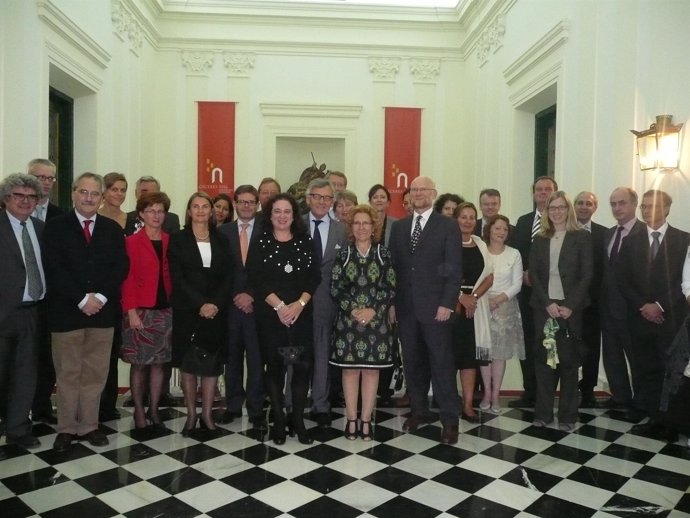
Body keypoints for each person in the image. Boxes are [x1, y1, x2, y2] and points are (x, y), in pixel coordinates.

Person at [45, 173, 129, 452]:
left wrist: (101, 297)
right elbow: (54, 269)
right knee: (68, 373)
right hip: (67, 313)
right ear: (73, 193)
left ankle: (90, 425)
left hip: (103, 313)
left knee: (95, 373)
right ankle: (67, 428)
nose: (89, 198)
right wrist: (82, 299)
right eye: (84, 192)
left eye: (94, 194)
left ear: (101, 197)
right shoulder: (56, 227)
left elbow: (120, 267)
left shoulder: (111, 229)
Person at [388, 176, 462, 445]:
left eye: (423, 190)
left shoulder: (447, 226)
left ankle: (450, 421)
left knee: (442, 365)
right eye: (414, 190)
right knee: (413, 364)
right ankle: (419, 411)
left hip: (436, 309)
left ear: (433, 193)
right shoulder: (399, 227)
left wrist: (447, 303)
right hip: (407, 309)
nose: (418, 194)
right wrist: (393, 304)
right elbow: (394, 269)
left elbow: (453, 269)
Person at [246, 193, 320, 445]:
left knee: (301, 369)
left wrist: (298, 304)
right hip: (271, 317)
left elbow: (314, 277)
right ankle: (278, 420)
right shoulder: (260, 242)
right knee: (275, 369)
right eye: (277, 211)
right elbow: (255, 278)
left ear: (294, 215)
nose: (282, 216)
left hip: (301, 315)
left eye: (287, 211)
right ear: (270, 214)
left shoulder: (305, 241)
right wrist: (279, 306)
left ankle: (297, 420)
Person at [617, 189, 689, 434]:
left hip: (670, 319)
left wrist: (659, 306)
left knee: (671, 371)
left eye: (652, 206)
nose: (646, 210)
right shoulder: (631, 240)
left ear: (667, 209)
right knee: (646, 369)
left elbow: (684, 282)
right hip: (640, 318)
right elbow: (622, 279)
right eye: (644, 206)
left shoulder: (683, 240)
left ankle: (669, 421)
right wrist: (644, 306)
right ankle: (651, 417)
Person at [169, 192, 233, 437]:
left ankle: (207, 414)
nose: (200, 210)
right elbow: (178, 278)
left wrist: (214, 303)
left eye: (204, 206)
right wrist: (200, 304)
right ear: (189, 211)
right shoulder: (178, 239)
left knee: (211, 365)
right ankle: (191, 415)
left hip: (216, 311)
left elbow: (228, 276)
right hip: (188, 310)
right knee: (188, 365)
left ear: (211, 211)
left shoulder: (222, 239)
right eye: (195, 206)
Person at [330, 205, 396, 441]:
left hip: (376, 323)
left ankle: (366, 421)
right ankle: (350, 420)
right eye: (356, 223)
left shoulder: (383, 254)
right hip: (349, 322)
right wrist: (355, 310)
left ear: (373, 226)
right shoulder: (343, 254)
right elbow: (336, 287)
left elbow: (389, 286)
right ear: (351, 227)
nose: (361, 227)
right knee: (349, 372)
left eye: (365, 223)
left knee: (370, 372)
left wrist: (372, 310)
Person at [529, 191, 592, 432]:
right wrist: (547, 303)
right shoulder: (540, 238)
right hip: (544, 307)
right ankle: (543, 414)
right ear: (547, 212)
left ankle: (568, 415)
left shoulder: (581, 237)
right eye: (551, 208)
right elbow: (533, 273)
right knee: (544, 362)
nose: (556, 211)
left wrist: (570, 305)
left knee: (568, 362)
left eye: (561, 207)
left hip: (571, 308)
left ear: (569, 210)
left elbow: (587, 274)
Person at [120, 192, 173, 437]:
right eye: (151, 210)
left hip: (164, 311)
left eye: (160, 211)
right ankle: (139, 411)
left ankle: (154, 409)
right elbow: (126, 278)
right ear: (141, 213)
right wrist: (130, 311)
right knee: (140, 364)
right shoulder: (131, 242)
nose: (156, 215)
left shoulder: (170, 240)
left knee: (160, 364)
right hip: (139, 311)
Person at [216, 185, 267, 431]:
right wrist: (237, 296)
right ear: (234, 204)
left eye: (251, 202)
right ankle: (233, 406)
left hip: (258, 307)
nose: (246, 206)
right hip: (231, 306)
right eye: (242, 202)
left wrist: (251, 296)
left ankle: (256, 409)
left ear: (257, 204)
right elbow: (219, 271)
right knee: (232, 359)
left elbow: (269, 271)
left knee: (257, 360)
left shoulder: (267, 231)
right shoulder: (222, 231)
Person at [0, 173, 45, 448]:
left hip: (33, 312)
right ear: (6, 198)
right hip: (3, 312)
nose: (25, 201)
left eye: (31, 197)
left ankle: (18, 429)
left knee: (26, 374)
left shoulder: (40, 228)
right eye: (19, 195)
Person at [510, 175, 558, 408]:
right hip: (527, 294)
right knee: (529, 341)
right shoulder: (523, 221)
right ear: (533, 193)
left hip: (553, 295)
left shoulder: (561, 222)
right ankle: (530, 391)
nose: (543, 193)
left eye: (548, 189)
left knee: (550, 342)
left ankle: (547, 393)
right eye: (539, 189)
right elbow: (517, 254)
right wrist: (524, 274)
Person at [304, 178, 347, 427]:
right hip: (294, 302)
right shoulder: (295, 223)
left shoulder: (342, 229)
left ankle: (321, 405)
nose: (322, 202)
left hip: (327, 302)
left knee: (322, 354)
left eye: (327, 198)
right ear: (309, 198)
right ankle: (292, 403)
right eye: (317, 197)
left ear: (333, 201)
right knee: (294, 354)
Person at [26, 159, 63, 425]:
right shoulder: (11, 213)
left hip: (51, 299)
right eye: (40, 177)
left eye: (50, 178)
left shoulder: (61, 216)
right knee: (16, 358)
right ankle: (10, 413)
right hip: (18, 300)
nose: (46, 182)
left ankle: (41, 408)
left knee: (47, 357)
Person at [601, 187, 644, 411]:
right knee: (612, 356)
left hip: (632, 309)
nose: (617, 208)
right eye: (613, 204)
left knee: (636, 359)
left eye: (622, 203)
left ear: (634, 204)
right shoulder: (609, 234)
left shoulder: (644, 232)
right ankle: (621, 398)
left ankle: (641, 403)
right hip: (608, 308)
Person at [453, 202, 493, 424]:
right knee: (449, 359)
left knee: (469, 360)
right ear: (456, 219)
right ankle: (449, 403)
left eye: (471, 217)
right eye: (463, 217)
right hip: (452, 308)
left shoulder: (480, 244)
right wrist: (461, 297)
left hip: (474, 311)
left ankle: (468, 405)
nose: (467, 221)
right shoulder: (447, 244)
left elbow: (490, 276)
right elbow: (441, 275)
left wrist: (473, 298)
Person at [480, 215, 524, 413]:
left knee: (499, 355)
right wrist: (484, 299)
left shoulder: (514, 253)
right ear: (489, 230)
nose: (501, 232)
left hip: (505, 307)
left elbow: (517, 284)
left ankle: (496, 396)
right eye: (497, 228)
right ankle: (486, 394)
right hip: (481, 305)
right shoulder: (481, 249)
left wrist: (498, 300)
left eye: (505, 229)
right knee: (484, 353)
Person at [98, 172, 129, 422]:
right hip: (95, 296)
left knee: (112, 351)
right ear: (104, 191)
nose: (118, 194)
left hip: (122, 295)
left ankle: (108, 405)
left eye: (122, 190)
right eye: (114, 189)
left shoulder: (130, 220)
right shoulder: (93, 218)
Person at [573, 191, 606, 407]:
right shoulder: (565, 230)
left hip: (594, 303)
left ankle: (587, 390)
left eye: (589, 203)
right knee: (566, 347)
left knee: (592, 349)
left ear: (595, 208)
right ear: (573, 206)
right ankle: (567, 387)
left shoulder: (605, 233)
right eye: (580, 203)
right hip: (566, 302)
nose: (584, 207)